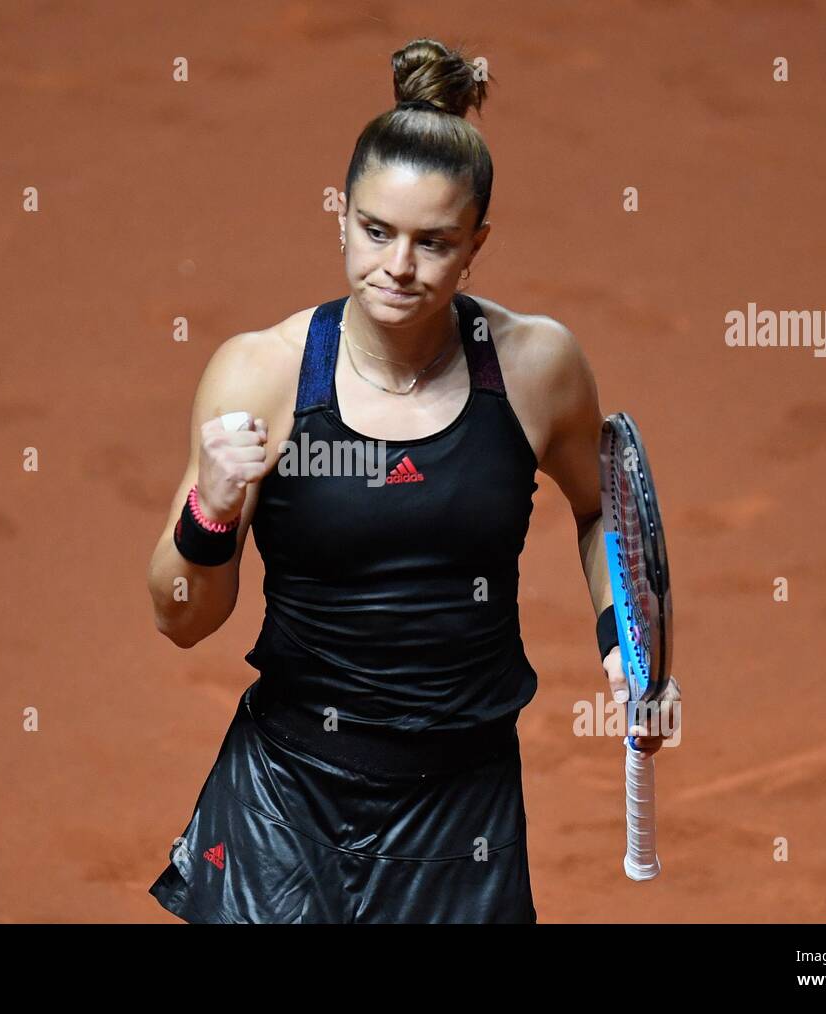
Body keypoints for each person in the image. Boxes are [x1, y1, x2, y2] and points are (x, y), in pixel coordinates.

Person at [146, 37, 680, 923]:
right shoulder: (262, 376)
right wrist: (211, 506)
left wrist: (626, 646)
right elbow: (179, 618)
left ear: (477, 246)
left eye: (435, 242)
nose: (398, 266)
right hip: (285, 798)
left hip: (460, 810)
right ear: (341, 220)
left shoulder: (538, 368)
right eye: (376, 231)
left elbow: (601, 513)